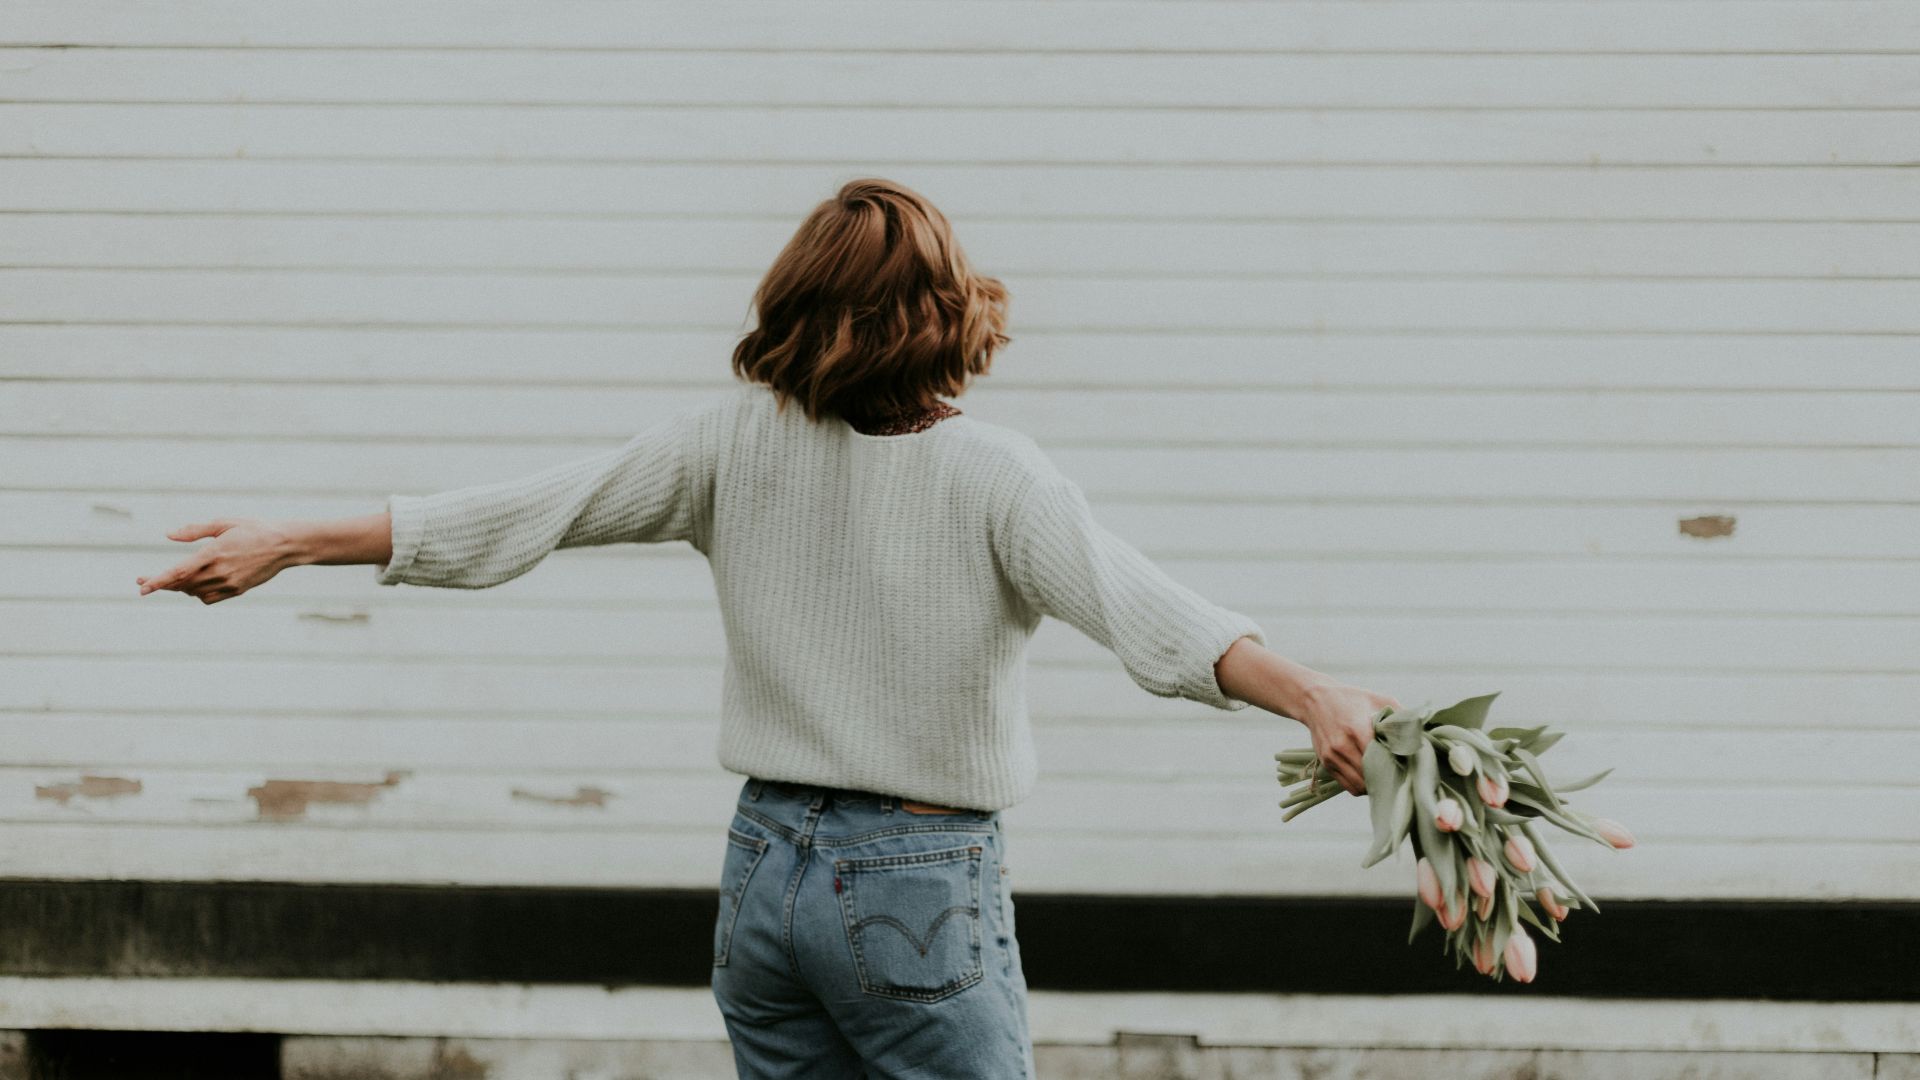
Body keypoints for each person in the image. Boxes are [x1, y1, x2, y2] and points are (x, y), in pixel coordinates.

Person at [135, 178, 1399, 1079]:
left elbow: (526, 513)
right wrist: (1315, 696)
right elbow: (1156, 617)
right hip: (914, 879)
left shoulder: (730, 444)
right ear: (949, 312)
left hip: (761, 875)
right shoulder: (996, 477)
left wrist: (292, 540)